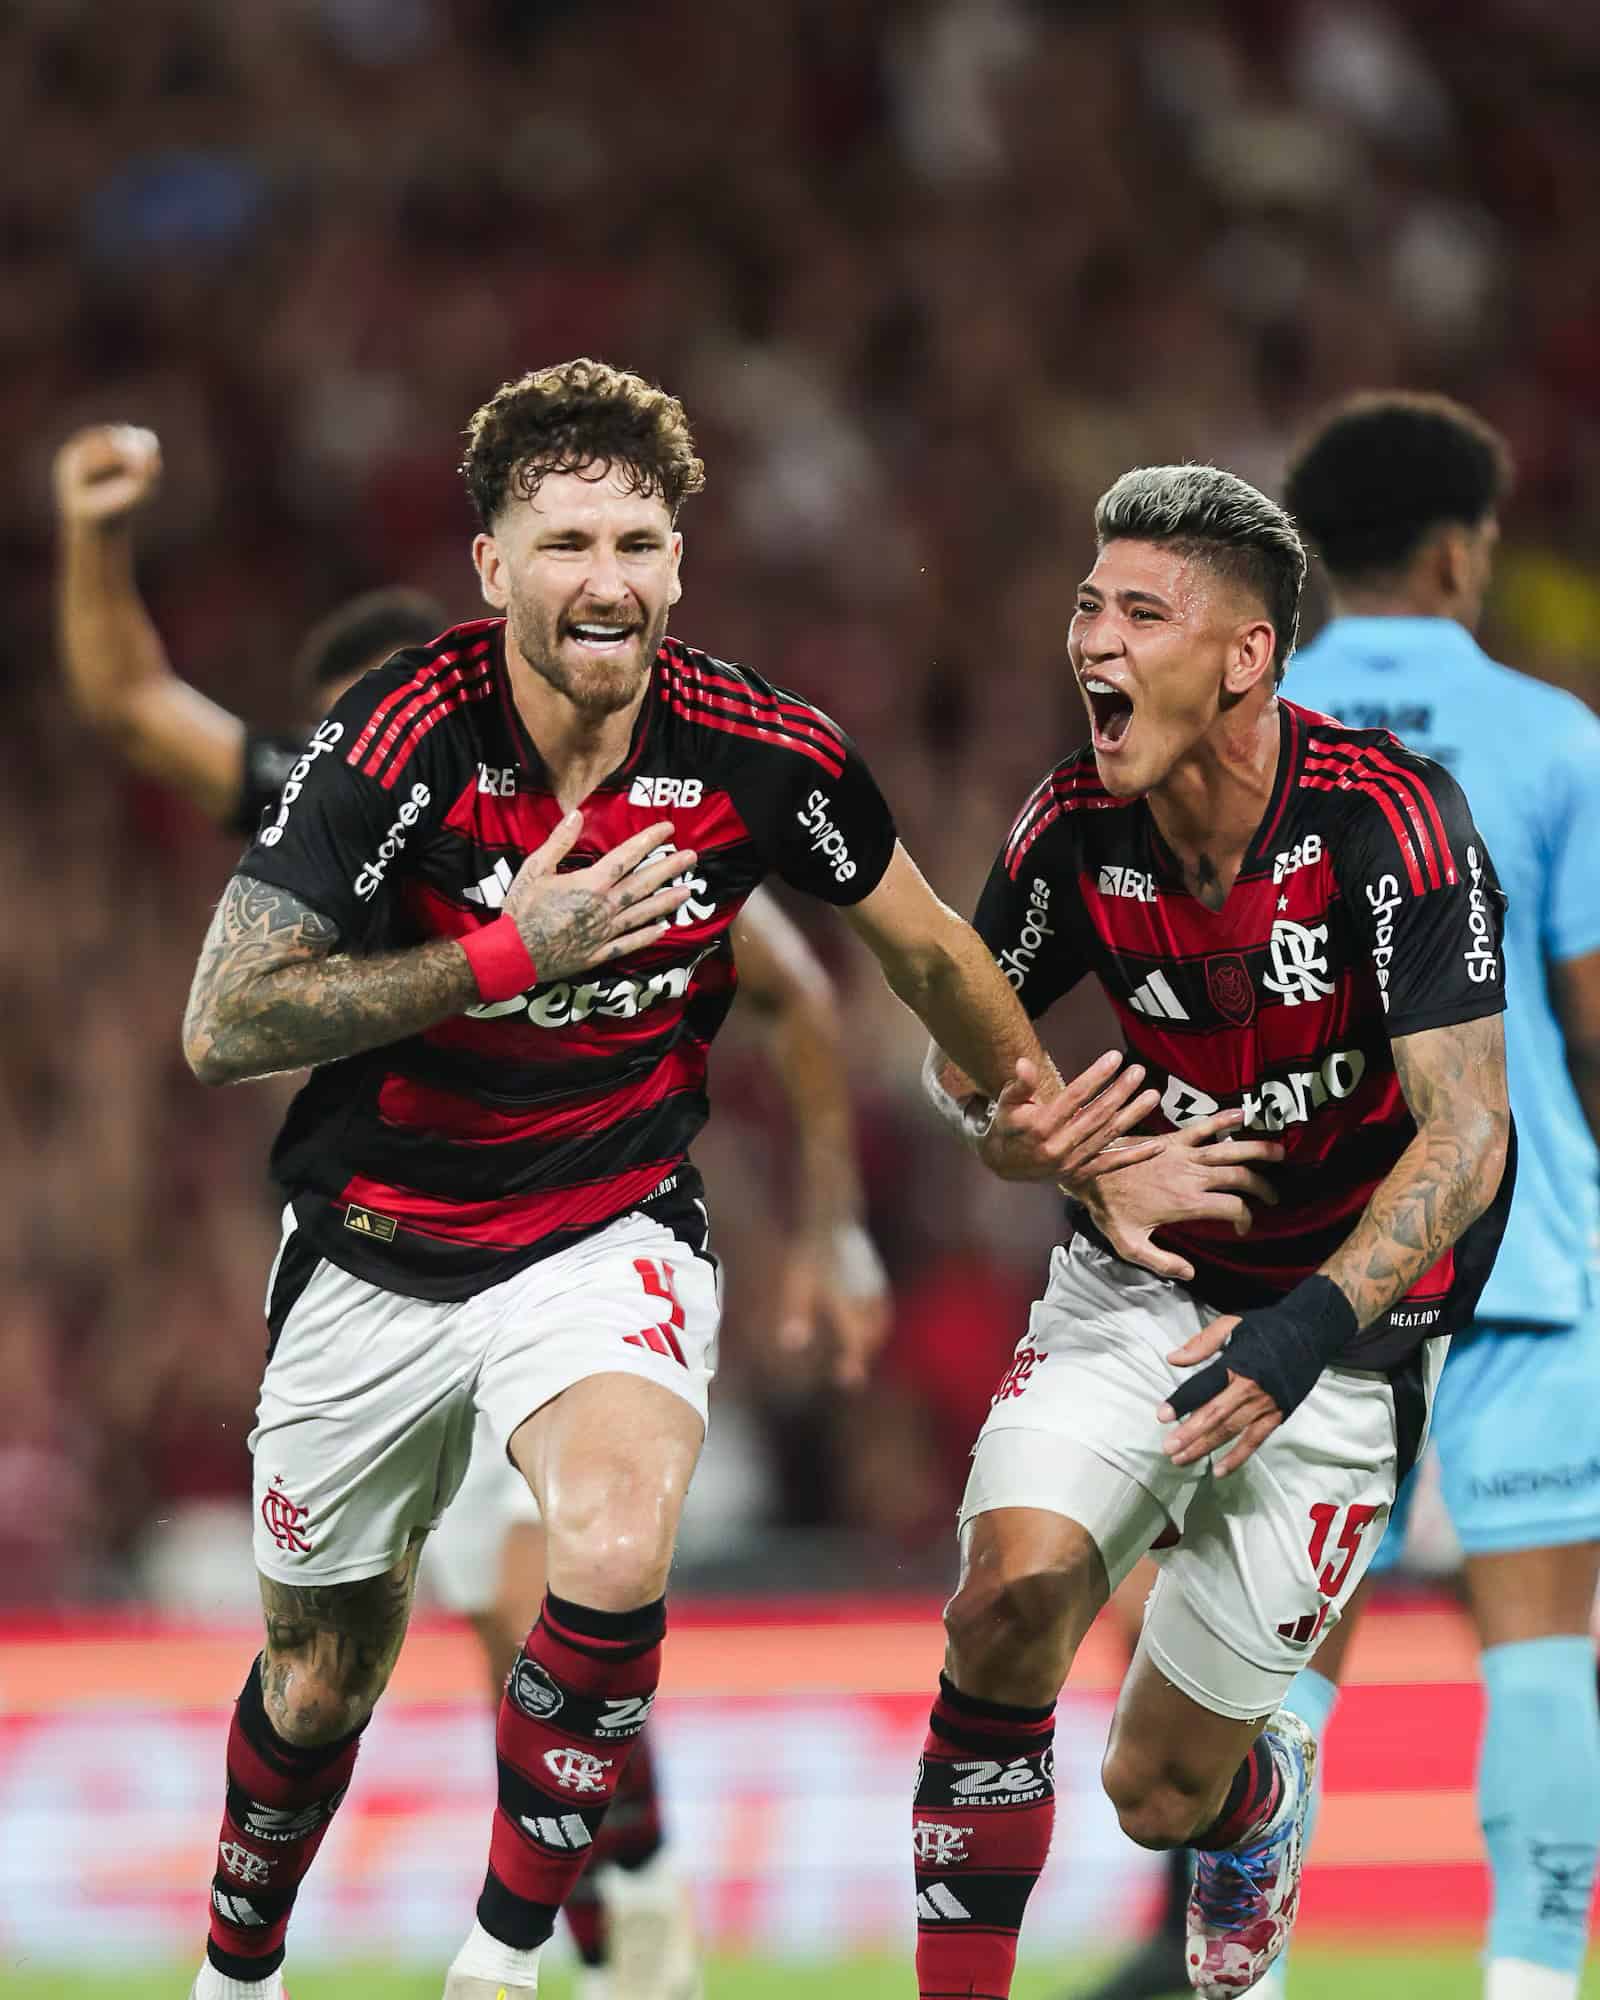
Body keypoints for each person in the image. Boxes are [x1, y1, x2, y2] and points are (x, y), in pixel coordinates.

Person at [168, 357, 1171, 2000]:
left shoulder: (758, 750)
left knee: (616, 1543)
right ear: (491, 564)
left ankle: (505, 1965)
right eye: (566, 543)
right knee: (320, 1677)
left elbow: (926, 949)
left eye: (637, 543)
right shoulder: (401, 733)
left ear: (681, 565)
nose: (607, 580)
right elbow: (225, 1019)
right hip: (374, 1243)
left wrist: (1050, 1120)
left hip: (606, 1222)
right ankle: (238, 1970)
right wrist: (508, 953)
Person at [52, 417, 894, 2000]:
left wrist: (833, 1221)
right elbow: (128, 702)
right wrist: (96, 537)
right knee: (340, 1663)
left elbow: (793, 988)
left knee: (545, 1596)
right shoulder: (328, 799)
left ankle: (616, 1914)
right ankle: (601, 1905)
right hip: (379, 1261)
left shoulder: (618, 819)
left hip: (569, 1245)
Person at [912, 462, 1515, 2000]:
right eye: (1087, 607)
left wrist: (1303, 1334)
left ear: (1246, 656)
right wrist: (1033, 1142)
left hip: (1343, 1331)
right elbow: (960, 1062)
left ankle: (1256, 1799)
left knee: (1159, 1790)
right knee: (1004, 1606)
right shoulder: (1069, 825)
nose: (1092, 642)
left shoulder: (1389, 821)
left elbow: (1468, 1134)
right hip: (1141, 1289)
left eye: (1139, 612)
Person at [1262, 392, 1600, 2000]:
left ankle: (1238, 1975)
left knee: (1277, 1663)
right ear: (1464, 552)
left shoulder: (1244, 736)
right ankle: (1528, 1984)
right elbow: (1593, 1020)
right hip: (1521, 1249)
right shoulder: (1554, 738)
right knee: (1541, 1651)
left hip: (1308, 1262)